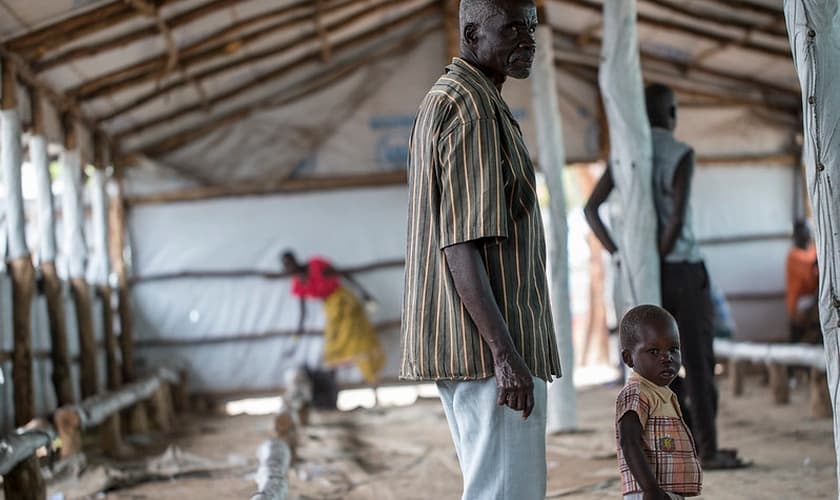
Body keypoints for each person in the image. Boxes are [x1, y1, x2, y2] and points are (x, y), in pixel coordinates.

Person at [400, 1, 562, 498]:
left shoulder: (457, 98)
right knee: (506, 491)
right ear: (471, 35)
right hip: (490, 353)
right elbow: (460, 243)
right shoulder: (471, 110)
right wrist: (506, 354)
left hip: (473, 348)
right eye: (511, 28)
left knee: (493, 486)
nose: (527, 40)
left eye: (531, 28)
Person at [585, 83, 746, 469]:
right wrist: (659, 254)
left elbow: (591, 209)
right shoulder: (680, 154)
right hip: (683, 270)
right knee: (697, 358)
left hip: (646, 270)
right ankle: (706, 447)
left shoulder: (625, 156)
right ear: (672, 114)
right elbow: (676, 216)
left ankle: (682, 441)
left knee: (657, 362)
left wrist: (621, 253)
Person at [616, 304, 703, 500]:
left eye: (673, 349)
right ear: (629, 358)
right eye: (654, 351)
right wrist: (650, 489)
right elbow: (628, 442)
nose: (667, 358)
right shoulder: (637, 393)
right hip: (649, 492)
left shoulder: (663, 393)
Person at [281, 251, 385, 385]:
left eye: (289, 263)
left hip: (345, 303)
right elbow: (303, 313)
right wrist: (296, 338)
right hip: (330, 309)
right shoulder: (298, 284)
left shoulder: (315, 266)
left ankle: (373, 381)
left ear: (295, 260)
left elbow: (343, 274)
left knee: (359, 341)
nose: (289, 267)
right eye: (286, 266)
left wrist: (365, 294)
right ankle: (333, 389)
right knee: (332, 346)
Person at [786, 219, 820, 343]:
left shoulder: (812, 250)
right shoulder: (794, 255)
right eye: (801, 232)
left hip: (811, 298)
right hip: (800, 304)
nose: (805, 234)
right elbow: (811, 265)